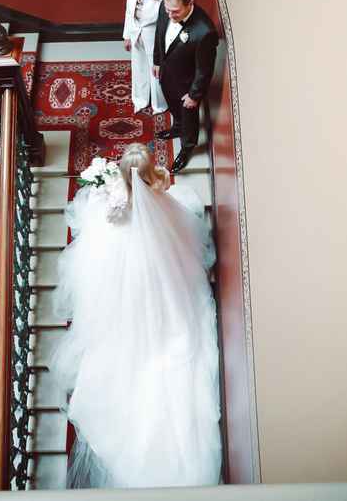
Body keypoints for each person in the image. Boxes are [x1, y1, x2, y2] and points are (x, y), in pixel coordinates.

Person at [51, 143, 222, 489]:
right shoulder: (156, 192)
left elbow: (112, 222)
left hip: (127, 266)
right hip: (156, 265)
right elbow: (168, 215)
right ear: (146, 171)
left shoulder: (118, 197)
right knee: (168, 300)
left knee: (118, 300)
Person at [153, 0, 219, 174]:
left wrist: (194, 95)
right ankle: (177, 127)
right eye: (167, 11)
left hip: (187, 84)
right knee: (173, 104)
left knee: (189, 118)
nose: (170, 16)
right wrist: (157, 61)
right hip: (167, 72)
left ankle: (187, 148)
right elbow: (159, 33)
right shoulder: (166, 8)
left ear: (190, 3)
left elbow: (204, 69)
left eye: (175, 12)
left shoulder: (204, 31)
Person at [123, 0, 168, 114]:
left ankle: (159, 104)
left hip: (154, 39)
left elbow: (166, 23)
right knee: (139, 69)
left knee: (155, 72)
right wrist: (127, 35)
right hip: (136, 36)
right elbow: (129, 12)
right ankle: (140, 100)